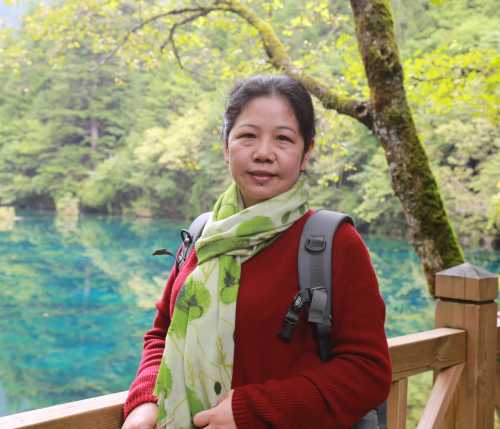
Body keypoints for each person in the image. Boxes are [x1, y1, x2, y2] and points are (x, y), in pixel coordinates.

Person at [122, 75, 391, 429]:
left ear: (306, 153)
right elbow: (161, 334)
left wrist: (252, 411)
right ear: (226, 147)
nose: (264, 153)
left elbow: (368, 371)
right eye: (248, 136)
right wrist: (145, 402)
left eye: (283, 138)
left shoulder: (334, 243)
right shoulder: (205, 235)